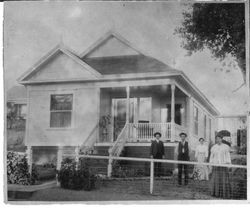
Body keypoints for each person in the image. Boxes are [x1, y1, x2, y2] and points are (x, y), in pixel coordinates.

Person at [209, 134, 231, 199]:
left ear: (222, 139)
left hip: (223, 165)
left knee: (223, 180)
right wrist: (211, 164)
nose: (218, 140)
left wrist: (228, 164)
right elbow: (211, 157)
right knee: (215, 179)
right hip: (216, 166)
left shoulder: (225, 147)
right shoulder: (213, 147)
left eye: (219, 138)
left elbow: (228, 156)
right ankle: (215, 193)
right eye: (217, 139)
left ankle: (223, 194)